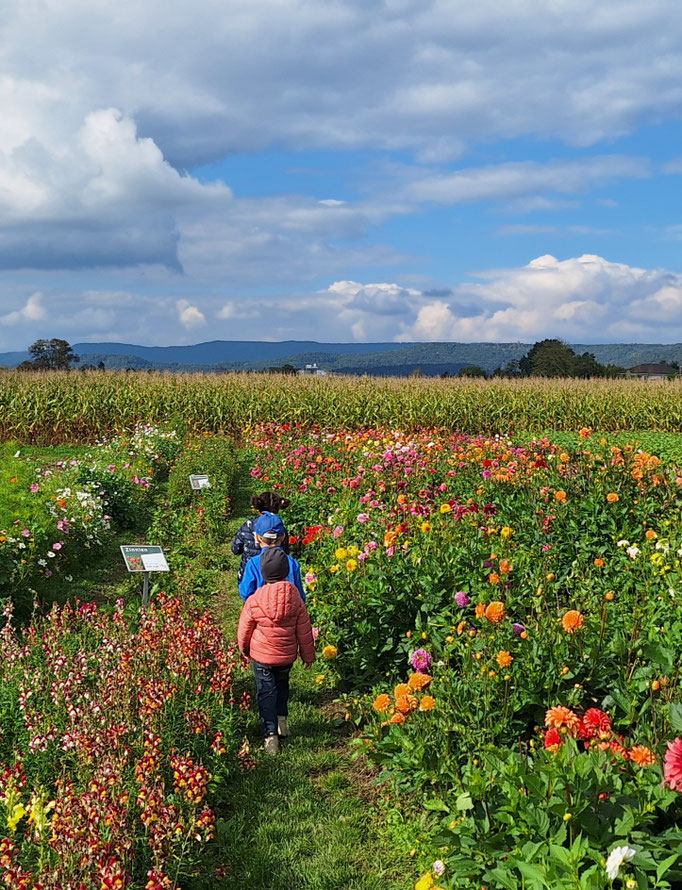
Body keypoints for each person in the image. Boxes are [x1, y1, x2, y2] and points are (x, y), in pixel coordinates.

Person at [238, 547, 316, 754]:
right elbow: (305, 630)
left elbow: (245, 629)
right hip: (286, 656)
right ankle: (282, 722)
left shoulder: (255, 599)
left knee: (266, 692)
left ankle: (270, 736)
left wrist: (244, 649)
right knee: (282, 686)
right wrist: (308, 656)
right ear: (285, 572)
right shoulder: (296, 599)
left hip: (262, 656)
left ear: (263, 573)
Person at [238, 511, 305, 601]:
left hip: (260, 611)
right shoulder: (292, 563)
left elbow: (246, 593)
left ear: (257, 538)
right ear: (283, 537)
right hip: (288, 611)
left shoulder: (253, 563)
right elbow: (300, 595)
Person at [231, 492, 290, 584]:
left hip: (249, 576)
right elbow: (285, 551)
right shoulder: (280, 529)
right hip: (274, 576)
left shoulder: (248, 525)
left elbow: (236, 549)